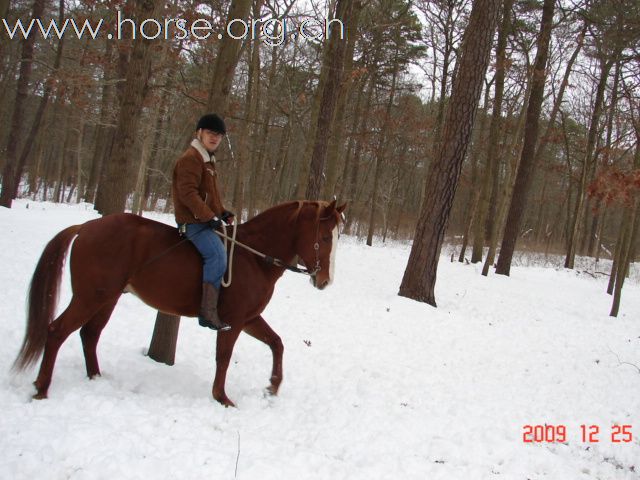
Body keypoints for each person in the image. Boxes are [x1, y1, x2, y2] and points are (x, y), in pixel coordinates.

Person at [172, 113, 235, 331]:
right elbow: (188, 194)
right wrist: (209, 217)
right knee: (217, 255)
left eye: (219, 135)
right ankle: (208, 312)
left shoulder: (208, 161)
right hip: (193, 222)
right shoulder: (191, 158)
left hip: (204, 220)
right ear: (199, 133)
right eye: (210, 133)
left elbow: (208, 196)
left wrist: (222, 212)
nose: (215, 138)